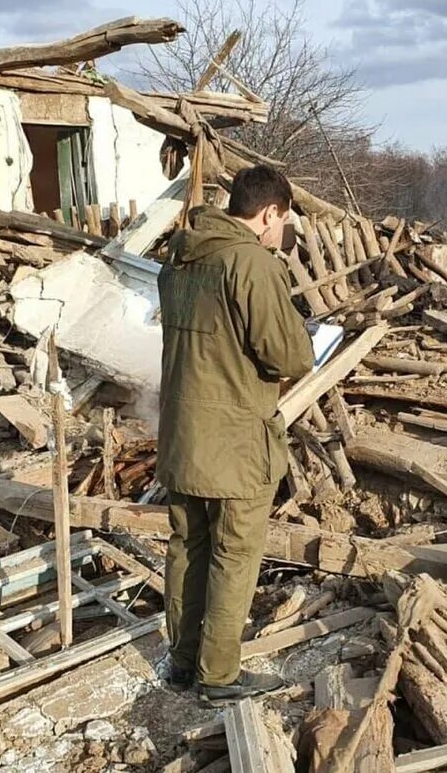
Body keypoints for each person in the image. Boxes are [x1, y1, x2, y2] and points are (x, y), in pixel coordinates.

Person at [156, 164, 314, 704]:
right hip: (237, 441)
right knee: (234, 555)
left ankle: (180, 664)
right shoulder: (250, 263)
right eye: (281, 221)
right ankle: (218, 677)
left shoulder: (180, 257)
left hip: (182, 435)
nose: (280, 232)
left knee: (187, 548)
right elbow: (290, 355)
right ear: (269, 212)